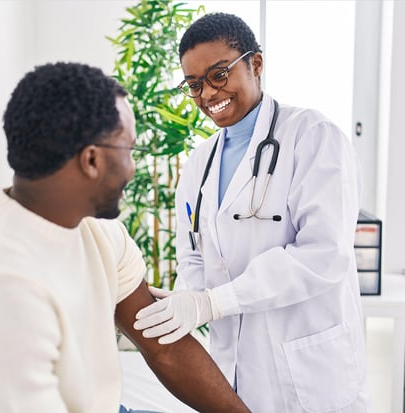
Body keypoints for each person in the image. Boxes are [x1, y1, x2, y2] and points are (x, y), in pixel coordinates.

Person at [0, 62, 249, 412]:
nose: (134, 168)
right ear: (91, 160)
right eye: (130, 151)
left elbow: (163, 347)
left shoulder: (99, 231)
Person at [132, 12, 370, 412]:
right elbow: (193, 252)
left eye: (219, 74)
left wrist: (216, 302)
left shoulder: (313, 137)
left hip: (310, 372)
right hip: (234, 371)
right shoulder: (200, 162)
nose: (208, 94)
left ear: (255, 64)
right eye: (194, 85)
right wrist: (188, 300)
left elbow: (323, 255)